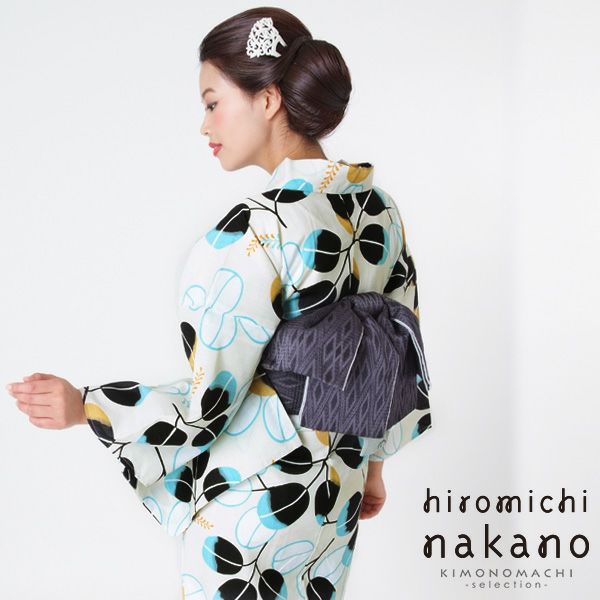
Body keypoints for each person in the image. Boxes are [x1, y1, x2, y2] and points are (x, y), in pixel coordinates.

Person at [6, 7, 432, 599]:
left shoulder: (256, 227)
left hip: (255, 500)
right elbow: (399, 349)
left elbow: (210, 404)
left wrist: (88, 406)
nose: (204, 125)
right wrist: (374, 466)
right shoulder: (376, 208)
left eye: (212, 103)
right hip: (335, 494)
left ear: (269, 99)